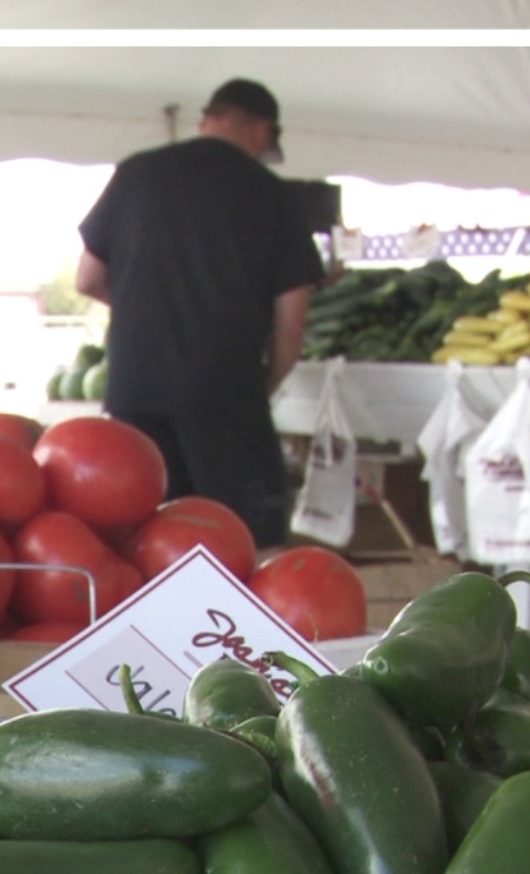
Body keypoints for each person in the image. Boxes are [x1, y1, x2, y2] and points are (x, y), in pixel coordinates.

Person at [75, 77, 327, 549]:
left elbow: (87, 279)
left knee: (141, 540)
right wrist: (266, 383)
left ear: (206, 120)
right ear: (262, 131)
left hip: (136, 388)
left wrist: (143, 311)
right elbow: (292, 320)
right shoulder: (273, 195)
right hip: (226, 391)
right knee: (241, 547)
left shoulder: (135, 174)